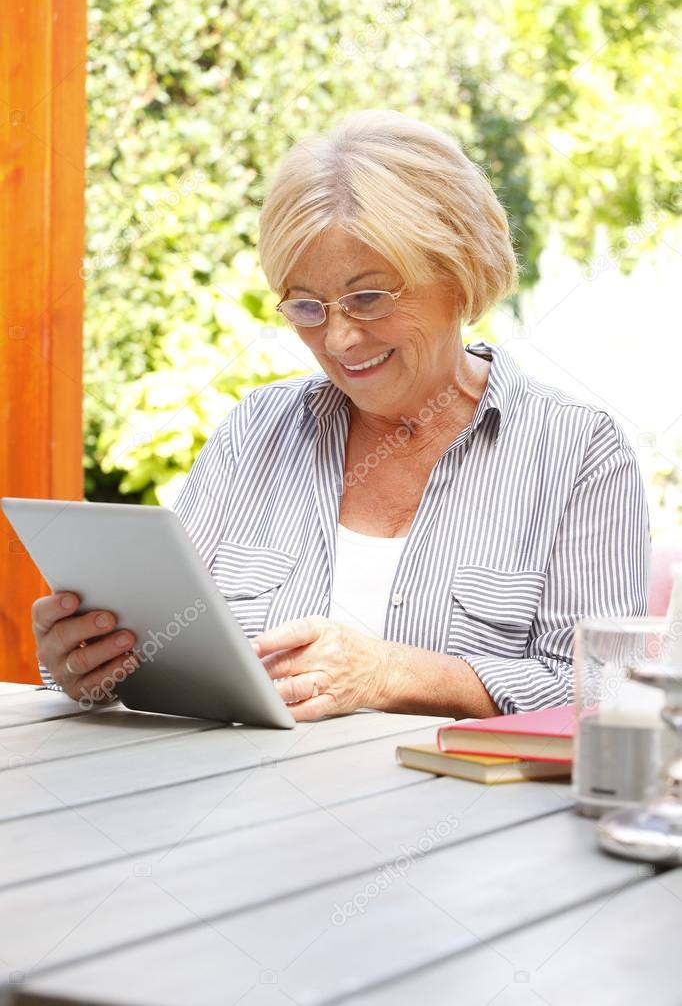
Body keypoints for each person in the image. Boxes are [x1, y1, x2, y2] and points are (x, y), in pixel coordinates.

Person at [32, 109, 650, 721]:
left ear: (458, 276)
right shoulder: (255, 431)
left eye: (368, 297)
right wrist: (87, 664)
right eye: (306, 306)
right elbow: (159, 642)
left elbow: (607, 695)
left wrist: (390, 674)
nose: (340, 339)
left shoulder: (579, 453)